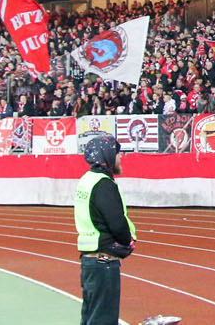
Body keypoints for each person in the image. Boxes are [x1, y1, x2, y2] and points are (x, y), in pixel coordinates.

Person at [75, 136, 137, 325]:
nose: (120, 158)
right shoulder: (104, 184)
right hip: (104, 262)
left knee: (90, 318)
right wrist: (127, 241)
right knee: (103, 320)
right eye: (117, 153)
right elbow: (117, 222)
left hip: (89, 261)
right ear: (108, 156)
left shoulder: (86, 180)